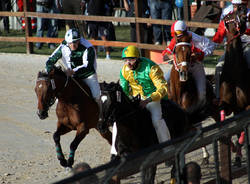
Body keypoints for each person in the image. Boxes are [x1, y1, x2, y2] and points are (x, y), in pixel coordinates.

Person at [45, 28, 104, 125]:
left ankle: (101, 117)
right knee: (58, 95)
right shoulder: (63, 45)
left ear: (79, 40)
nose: (72, 45)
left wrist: (73, 71)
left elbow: (88, 66)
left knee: (96, 95)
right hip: (69, 76)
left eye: (75, 42)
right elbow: (51, 59)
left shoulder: (88, 48)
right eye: (70, 43)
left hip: (87, 75)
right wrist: (48, 69)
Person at [119, 45, 171, 144]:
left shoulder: (151, 67)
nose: (128, 63)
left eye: (131, 60)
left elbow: (163, 88)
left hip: (153, 98)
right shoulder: (124, 70)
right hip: (136, 98)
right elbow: (123, 89)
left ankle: (167, 145)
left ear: (138, 59)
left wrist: (148, 100)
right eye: (125, 60)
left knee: (156, 121)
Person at [162, 20, 217, 108]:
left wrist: (200, 54)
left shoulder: (195, 37)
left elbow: (212, 46)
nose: (177, 35)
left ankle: (201, 110)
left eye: (179, 32)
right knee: (163, 81)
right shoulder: (176, 38)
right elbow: (165, 53)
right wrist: (170, 56)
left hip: (195, 65)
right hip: (179, 66)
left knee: (201, 93)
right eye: (175, 33)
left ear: (185, 31)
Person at [213, 0, 250, 99]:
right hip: (232, 47)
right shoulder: (227, 16)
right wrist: (213, 43)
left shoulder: (248, 15)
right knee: (219, 67)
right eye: (235, 6)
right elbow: (220, 33)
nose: (237, 8)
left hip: (247, 44)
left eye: (240, 6)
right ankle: (217, 97)